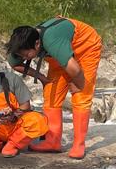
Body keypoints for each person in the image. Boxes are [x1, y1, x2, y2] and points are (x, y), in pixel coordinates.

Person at [6, 16, 103, 159]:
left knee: (81, 96)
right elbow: (15, 64)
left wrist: (78, 84)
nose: (24, 57)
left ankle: (79, 144)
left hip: (86, 47)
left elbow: (75, 70)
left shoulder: (52, 41)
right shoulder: (22, 45)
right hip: (61, 56)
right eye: (21, 55)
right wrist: (41, 77)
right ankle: (53, 141)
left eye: (26, 55)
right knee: (51, 93)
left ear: (37, 44)